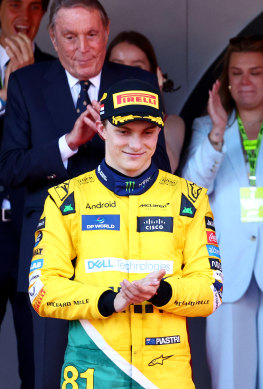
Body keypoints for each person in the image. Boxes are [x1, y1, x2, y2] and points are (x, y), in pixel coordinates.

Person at [0, 1, 170, 387]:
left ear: (107, 32)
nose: (82, 48)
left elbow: (161, 170)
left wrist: (120, 142)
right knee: (44, 371)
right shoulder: (27, 83)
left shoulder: (136, 81)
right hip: (49, 251)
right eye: (70, 37)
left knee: (122, 370)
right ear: (53, 38)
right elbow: (9, 168)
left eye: (92, 35)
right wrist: (68, 143)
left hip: (122, 250)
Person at [28, 78, 222, 388]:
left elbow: (211, 291)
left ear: (160, 131)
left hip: (164, 373)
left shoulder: (189, 199)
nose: (136, 145)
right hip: (92, 367)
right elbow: (41, 290)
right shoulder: (67, 198)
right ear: (101, 129)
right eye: (123, 132)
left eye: (148, 133)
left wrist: (162, 293)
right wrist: (110, 301)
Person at [182, 35, 263, 389]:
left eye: (255, 72)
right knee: (231, 379)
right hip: (227, 267)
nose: (245, 81)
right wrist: (218, 135)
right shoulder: (207, 127)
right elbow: (191, 191)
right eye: (236, 73)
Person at [0, 1, 53, 387]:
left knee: (37, 361)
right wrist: (6, 100)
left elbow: (57, 153)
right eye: (14, 2)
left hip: (34, 235)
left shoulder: (53, 70)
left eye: (36, 5)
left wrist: (28, 83)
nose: (25, 14)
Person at [107, 30, 185, 173]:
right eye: (117, 66)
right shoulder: (92, 117)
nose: (126, 75)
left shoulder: (171, 122)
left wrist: (153, 101)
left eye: (136, 68)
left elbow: (167, 168)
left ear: (154, 74)